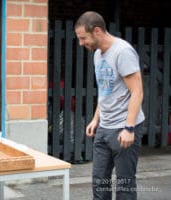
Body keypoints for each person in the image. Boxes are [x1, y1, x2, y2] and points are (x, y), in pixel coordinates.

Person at [75, 11, 145, 200]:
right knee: (99, 181)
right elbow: (106, 90)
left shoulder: (122, 52)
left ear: (97, 31)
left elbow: (137, 91)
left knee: (124, 185)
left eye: (83, 38)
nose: (81, 43)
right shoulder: (98, 54)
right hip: (104, 128)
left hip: (124, 128)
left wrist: (129, 128)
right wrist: (96, 118)